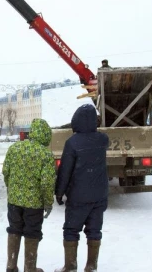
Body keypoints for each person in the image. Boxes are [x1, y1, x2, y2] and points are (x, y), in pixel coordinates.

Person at [54, 104, 109, 272]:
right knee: (94, 230)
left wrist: (59, 192)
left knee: (71, 230)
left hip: (78, 196)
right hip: (99, 196)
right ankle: (91, 266)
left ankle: (70, 266)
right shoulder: (103, 140)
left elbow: (65, 170)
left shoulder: (72, 143)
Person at [2, 118, 56, 272]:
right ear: (46, 135)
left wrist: (11, 189)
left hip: (14, 201)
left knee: (14, 229)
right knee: (32, 232)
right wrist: (48, 203)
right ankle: (30, 268)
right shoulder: (45, 155)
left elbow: (6, 172)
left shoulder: (14, 148)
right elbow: (47, 182)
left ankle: (11, 266)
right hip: (34, 204)